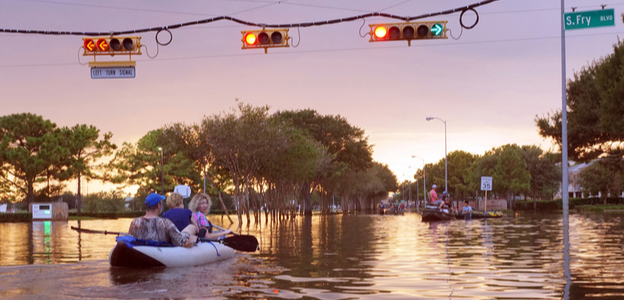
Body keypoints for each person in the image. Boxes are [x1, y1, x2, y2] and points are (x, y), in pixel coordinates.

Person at [128, 193, 197, 248]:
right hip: (160, 252)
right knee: (191, 228)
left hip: (142, 250)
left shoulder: (135, 222)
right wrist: (192, 240)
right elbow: (184, 243)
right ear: (158, 206)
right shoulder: (165, 223)